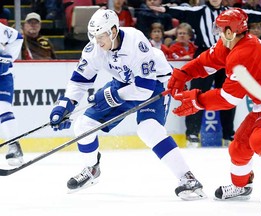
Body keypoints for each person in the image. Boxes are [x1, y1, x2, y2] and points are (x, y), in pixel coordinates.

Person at [48, 9, 206, 200]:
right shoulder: (96, 47)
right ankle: (91, 170)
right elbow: (80, 80)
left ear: (113, 31)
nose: (97, 41)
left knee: (149, 129)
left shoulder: (135, 42)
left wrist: (109, 95)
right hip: (123, 83)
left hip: (155, 84)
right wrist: (66, 104)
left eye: (101, 36)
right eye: (94, 37)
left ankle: (187, 178)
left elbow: (144, 89)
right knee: (83, 125)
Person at [167, 8, 261, 210]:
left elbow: (229, 98)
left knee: (260, 137)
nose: (219, 35)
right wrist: (183, 73)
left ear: (231, 31)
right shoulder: (233, 43)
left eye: (221, 30)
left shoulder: (244, 53)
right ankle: (241, 187)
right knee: (239, 144)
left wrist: (196, 101)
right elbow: (208, 61)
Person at [157, 0, 235, 147]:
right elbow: (182, 12)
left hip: (227, 55)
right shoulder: (200, 11)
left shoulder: (230, 12)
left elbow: (250, 15)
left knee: (228, 95)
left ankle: (228, 135)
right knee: (196, 95)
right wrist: (165, 8)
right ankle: (192, 134)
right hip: (206, 54)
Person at [0, 22, 24, 166]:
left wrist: (7, 59)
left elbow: (17, 38)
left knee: (2, 107)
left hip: (2, 76)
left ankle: (14, 146)